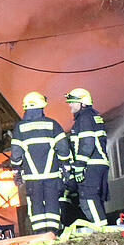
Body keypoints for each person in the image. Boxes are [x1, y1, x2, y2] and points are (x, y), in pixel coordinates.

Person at [10, 92, 72, 235]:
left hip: (32, 178)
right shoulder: (53, 124)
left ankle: (40, 235)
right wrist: (65, 165)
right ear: (41, 107)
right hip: (52, 175)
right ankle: (53, 234)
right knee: (52, 202)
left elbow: (16, 155)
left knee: (36, 205)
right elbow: (63, 148)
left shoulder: (20, 128)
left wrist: (16, 169)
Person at [65, 88, 110, 227]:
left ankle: (100, 232)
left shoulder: (84, 118)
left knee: (88, 197)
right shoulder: (92, 116)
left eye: (73, 102)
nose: (70, 105)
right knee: (95, 199)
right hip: (99, 164)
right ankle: (101, 229)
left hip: (91, 164)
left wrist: (79, 165)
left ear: (82, 103)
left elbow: (87, 143)